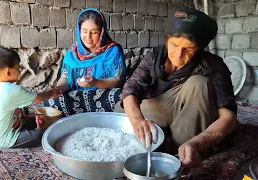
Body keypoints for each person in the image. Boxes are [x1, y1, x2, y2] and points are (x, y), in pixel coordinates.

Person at [115, 7, 238, 168]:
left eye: (188, 49)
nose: (178, 55)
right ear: (167, 40)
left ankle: (181, 151)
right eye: (174, 45)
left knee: (198, 84)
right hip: (163, 110)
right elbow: (131, 88)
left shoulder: (212, 65)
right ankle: (164, 136)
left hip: (193, 112)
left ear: (199, 48)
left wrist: (198, 143)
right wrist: (138, 121)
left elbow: (228, 118)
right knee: (121, 110)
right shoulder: (155, 57)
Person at [43, 8, 126, 116]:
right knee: (48, 102)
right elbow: (66, 78)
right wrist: (58, 89)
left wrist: (96, 82)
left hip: (103, 96)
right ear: (79, 30)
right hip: (77, 97)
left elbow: (118, 80)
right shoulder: (73, 52)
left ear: (102, 31)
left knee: (120, 97)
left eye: (94, 32)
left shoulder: (113, 50)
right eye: (84, 31)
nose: (88, 37)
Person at [0, 46, 60, 148]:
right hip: (6, 139)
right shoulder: (12, 90)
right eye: (18, 67)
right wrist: (52, 93)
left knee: (33, 117)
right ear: (8, 72)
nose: (20, 69)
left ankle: (28, 129)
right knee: (41, 135)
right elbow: (38, 99)